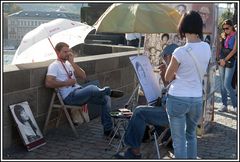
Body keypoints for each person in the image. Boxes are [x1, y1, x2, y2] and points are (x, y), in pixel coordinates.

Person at [45, 42, 124, 137]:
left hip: (79, 92)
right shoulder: (54, 66)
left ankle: (108, 129)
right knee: (91, 88)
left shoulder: (68, 64)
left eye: (68, 51)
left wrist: (72, 63)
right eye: (65, 52)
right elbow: (48, 83)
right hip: (70, 97)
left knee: (106, 99)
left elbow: (83, 75)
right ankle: (107, 91)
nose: (67, 54)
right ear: (57, 52)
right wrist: (66, 83)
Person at [163, 11, 211, 159]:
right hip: (196, 99)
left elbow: (168, 77)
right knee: (191, 136)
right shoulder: (206, 47)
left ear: (183, 27)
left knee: (179, 141)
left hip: (178, 98)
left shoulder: (180, 51)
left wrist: (166, 67)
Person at [217, 19, 237, 113]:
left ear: (232, 27)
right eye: (224, 29)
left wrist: (225, 60)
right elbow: (220, 49)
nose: (225, 30)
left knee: (227, 84)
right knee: (221, 85)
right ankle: (224, 105)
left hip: (230, 61)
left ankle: (235, 105)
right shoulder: (223, 35)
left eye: (227, 28)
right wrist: (219, 59)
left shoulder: (236, 35)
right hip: (221, 61)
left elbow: (234, 50)